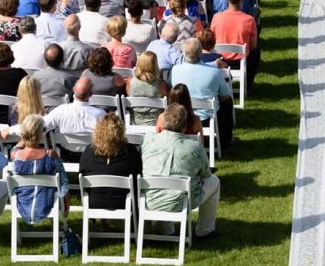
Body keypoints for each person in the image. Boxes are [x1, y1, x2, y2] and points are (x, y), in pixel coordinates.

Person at [143, 104, 221, 236]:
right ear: (185, 126)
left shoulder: (149, 140)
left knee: (161, 178)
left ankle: (166, 230)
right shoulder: (194, 147)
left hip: (150, 199)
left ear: (164, 121)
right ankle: (205, 231)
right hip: (182, 201)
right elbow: (206, 174)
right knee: (214, 181)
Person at [7, 113, 66, 224]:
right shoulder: (51, 154)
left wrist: (25, 138)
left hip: (22, 205)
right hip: (46, 203)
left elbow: (16, 147)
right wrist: (66, 203)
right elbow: (63, 182)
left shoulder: (15, 155)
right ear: (40, 134)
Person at [78, 113, 142, 208]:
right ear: (120, 131)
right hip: (124, 201)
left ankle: (104, 222)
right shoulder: (130, 151)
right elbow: (138, 173)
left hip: (94, 201)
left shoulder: (88, 151)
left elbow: (82, 172)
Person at [211, 0, 260, 80]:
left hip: (220, 58)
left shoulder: (216, 18)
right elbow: (253, 45)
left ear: (227, 0)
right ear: (242, 0)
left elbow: (212, 40)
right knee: (256, 52)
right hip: (241, 60)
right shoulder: (249, 20)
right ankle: (248, 85)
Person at [129, 51, 169, 124]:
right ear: (155, 65)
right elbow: (168, 105)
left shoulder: (130, 82)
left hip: (135, 122)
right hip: (156, 124)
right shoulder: (162, 85)